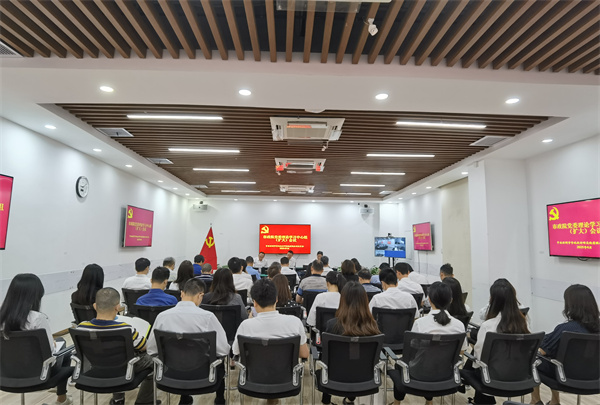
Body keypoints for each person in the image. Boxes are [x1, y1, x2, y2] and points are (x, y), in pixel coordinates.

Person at [147, 278, 230, 405]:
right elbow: (223, 350)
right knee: (218, 361)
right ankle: (220, 400)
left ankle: (184, 399)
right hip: (204, 375)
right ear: (200, 295)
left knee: (181, 355)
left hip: (170, 374)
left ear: (182, 293)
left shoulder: (162, 317)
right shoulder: (208, 317)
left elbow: (151, 349)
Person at [0, 274, 74, 405]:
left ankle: (62, 399)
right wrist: (52, 344)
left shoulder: (2, 318)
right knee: (65, 350)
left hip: (6, 374)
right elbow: (50, 353)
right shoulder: (37, 318)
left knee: (60, 342)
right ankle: (61, 399)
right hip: (39, 374)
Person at [390, 282, 467, 405]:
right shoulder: (459, 325)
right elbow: (462, 351)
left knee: (400, 365)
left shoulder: (420, 323)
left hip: (418, 373)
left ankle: (397, 403)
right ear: (451, 300)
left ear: (429, 300)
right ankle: (429, 401)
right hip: (446, 373)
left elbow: (411, 352)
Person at [78, 287, 155, 405]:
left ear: (94, 306)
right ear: (118, 307)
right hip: (123, 371)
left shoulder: (81, 328)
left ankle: (118, 400)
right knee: (154, 361)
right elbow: (144, 347)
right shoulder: (126, 329)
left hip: (95, 369)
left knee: (112, 358)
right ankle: (144, 402)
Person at [530, 284, 600, 405]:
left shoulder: (566, 329)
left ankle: (536, 401)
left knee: (533, 359)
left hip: (565, 377)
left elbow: (542, 350)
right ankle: (554, 402)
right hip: (595, 378)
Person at [232, 279, 308, 383]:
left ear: (254, 302)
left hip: (253, 381)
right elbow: (304, 354)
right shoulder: (295, 322)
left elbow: (236, 352)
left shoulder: (245, 326)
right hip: (287, 381)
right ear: (276, 299)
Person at [469, 278, 530, 405]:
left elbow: (480, 358)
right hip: (520, 376)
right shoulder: (523, 323)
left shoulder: (488, 326)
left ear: (492, 300)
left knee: (475, 365)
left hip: (492, 377)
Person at [322, 281, 380, 405]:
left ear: (342, 300)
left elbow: (326, 354)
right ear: (365, 301)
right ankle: (350, 399)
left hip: (334, 377)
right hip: (365, 378)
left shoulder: (332, 325)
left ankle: (326, 401)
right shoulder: (373, 326)